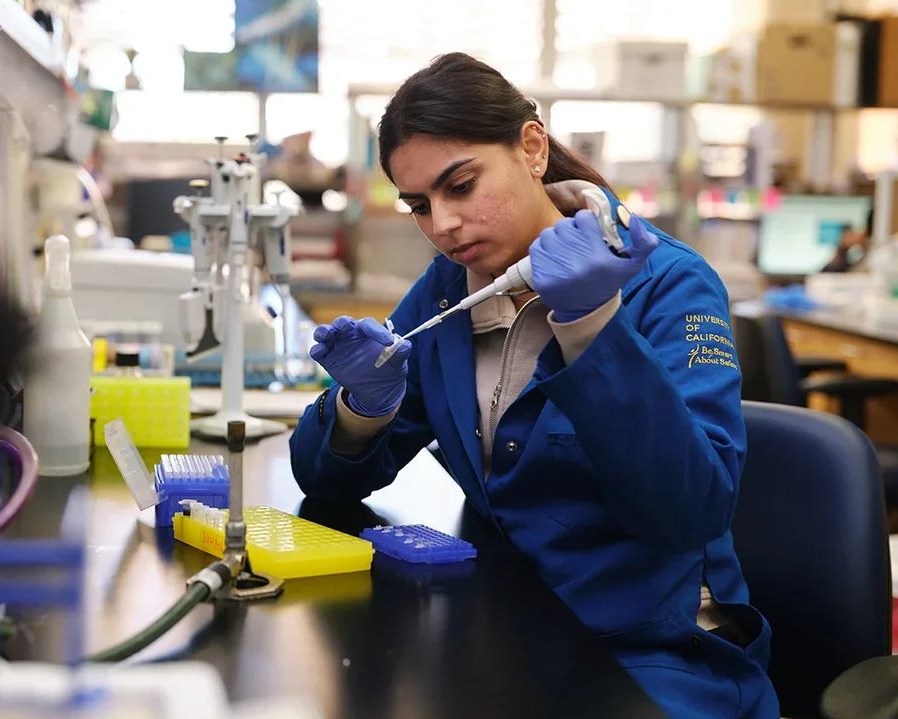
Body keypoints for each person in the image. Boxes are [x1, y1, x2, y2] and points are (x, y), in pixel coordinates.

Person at [290, 53, 778, 719]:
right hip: (505, 624)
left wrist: (592, 327)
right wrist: (360, 411)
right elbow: (328, 483)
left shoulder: (669, 285)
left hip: (651, 654)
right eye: (419, 205)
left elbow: (690, 511)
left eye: (460, 186)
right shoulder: (447, 292)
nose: (443, 226)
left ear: (532, 147)